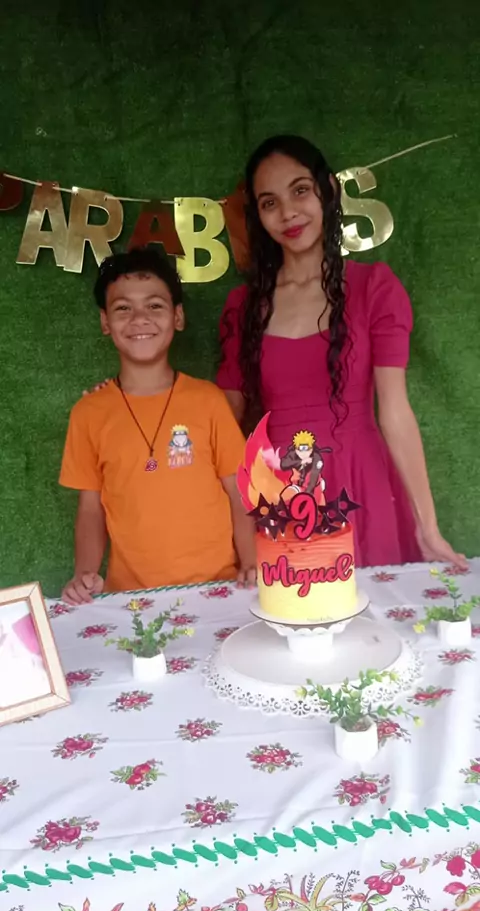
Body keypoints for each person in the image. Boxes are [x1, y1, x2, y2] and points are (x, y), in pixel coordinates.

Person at [216, 134, 466, 570]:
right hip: (278, 492)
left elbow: (395, 411)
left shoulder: (375, 288)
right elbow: (221, 421)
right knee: (289, 609)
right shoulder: (243, 306)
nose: (288, 212)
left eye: (300, 190)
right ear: (257, 215)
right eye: (270, 202)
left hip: (360, 483)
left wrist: (428, 526)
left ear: (328, 189)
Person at [60, 248, 256, 605]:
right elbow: (90, 508)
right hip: (132, 599)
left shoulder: (208, 401)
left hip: (217, 590)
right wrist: (85, 572)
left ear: (177, 316)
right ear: (105, 322)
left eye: (154, 305)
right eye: (123, 308)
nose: (140, 319)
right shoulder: (88, 413)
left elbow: (239, 492)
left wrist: (252, 562)